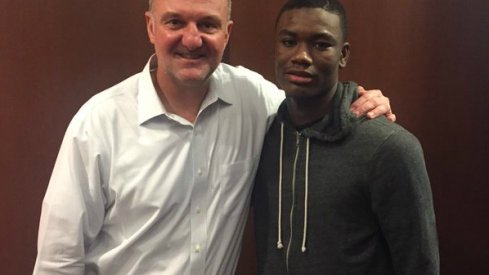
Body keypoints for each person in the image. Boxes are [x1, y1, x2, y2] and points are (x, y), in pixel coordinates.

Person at [33, 0, 394, 274]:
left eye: (208, 24)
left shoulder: (253, 99)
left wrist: (363, 101)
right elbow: (58, 260)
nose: (192, 39)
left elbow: (313, 107)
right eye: (175, 21)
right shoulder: (99, 123)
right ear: (150, 27)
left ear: (227, 33)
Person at [252, 0, 439, 274]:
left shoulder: (389, 148)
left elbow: (419, 265)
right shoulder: (262, 136)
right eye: (289, 41)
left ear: (343, 54)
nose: (301, 56)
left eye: (321, 44)